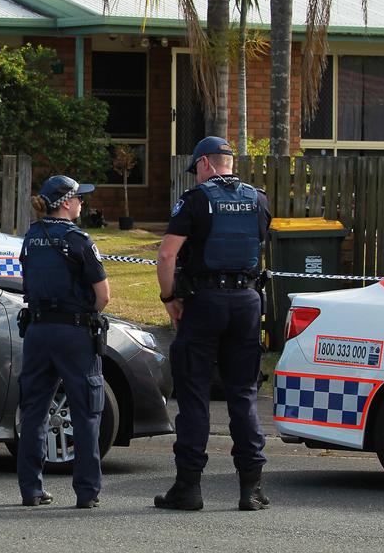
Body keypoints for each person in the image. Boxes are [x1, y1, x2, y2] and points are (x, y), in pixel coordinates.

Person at [155, 136, 272, 512]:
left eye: (196, 168)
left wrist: (170, 299)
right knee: (243, 395)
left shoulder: (196, 200)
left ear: (205, 163)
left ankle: (188, 488)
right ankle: (251, 489)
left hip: (204, 303)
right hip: (247, 303)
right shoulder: (259, 199)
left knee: (194, 396)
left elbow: (167, 255)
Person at [16, 174, 111, 510]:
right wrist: (85, 316)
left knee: (34, 412)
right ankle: (87, 493)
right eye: (79, 198)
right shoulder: (79, 240)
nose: (82, 203)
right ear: (67, 203)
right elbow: (103, 296)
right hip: (73, 333)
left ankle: (31, 489)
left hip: (38, 332)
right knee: (86, 411)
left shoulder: (30, 237)